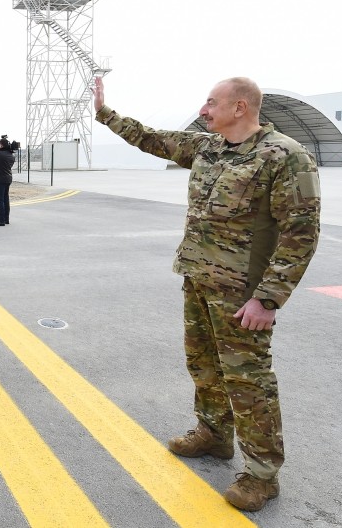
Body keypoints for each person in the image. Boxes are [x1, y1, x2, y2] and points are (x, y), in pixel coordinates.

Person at [92, 76, 320, 512]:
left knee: (249, 381)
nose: (203, 110)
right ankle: (215, 435)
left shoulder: (286, 156)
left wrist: (268, 298)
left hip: (243, 296)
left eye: (211, 103)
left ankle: (262, 474)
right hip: (198, 281)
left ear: (240, 107)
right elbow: (152, 138)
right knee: (203, 366)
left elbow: (301, 233)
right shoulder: (208, 147)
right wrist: (105, 114)